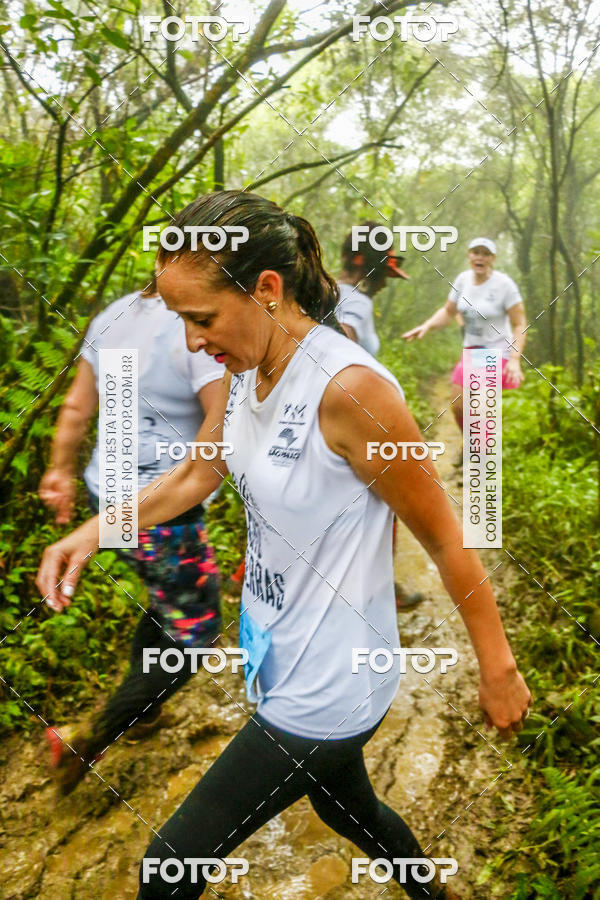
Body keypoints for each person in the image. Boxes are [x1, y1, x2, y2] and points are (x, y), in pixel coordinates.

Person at [36, 192, 532, 900]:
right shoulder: (245, 372)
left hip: (331, 684)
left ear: (267, 289)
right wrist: (91, 532)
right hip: (278, 652)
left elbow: (448, 537)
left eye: (200, 318)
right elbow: (195, 474)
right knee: (343, 806)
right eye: (181, 321)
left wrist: (498, 666)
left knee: (165, 868)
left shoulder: (349, 389)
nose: (192, 342)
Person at [38, 278, 224, 793]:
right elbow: (224, 423)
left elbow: (78, 407)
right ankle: (86, 738)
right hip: (163, 510)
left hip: (107, 494)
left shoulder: (114, 316)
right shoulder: (203, 325)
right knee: (195, 635)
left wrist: (59, 472)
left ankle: (144, 710)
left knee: (168, 600)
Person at [402, 237, 527, 432]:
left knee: (479, 408)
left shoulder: (504, 285)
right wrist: (427, 325)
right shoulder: (462, 280)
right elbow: (449, 311)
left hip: (496, 350)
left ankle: (481, 456)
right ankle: (471, 444)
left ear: (493, 258)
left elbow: (520, 323)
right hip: (472, 350)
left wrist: (514, 359)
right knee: (458, 405)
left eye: (486, 254)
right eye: (476, 252)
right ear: (469, 255)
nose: (480, 257)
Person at [335, 220, 409, 355]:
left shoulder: (325, 291)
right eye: (384, 275)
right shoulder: (358, 302)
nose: (384, 284)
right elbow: (339, 343)